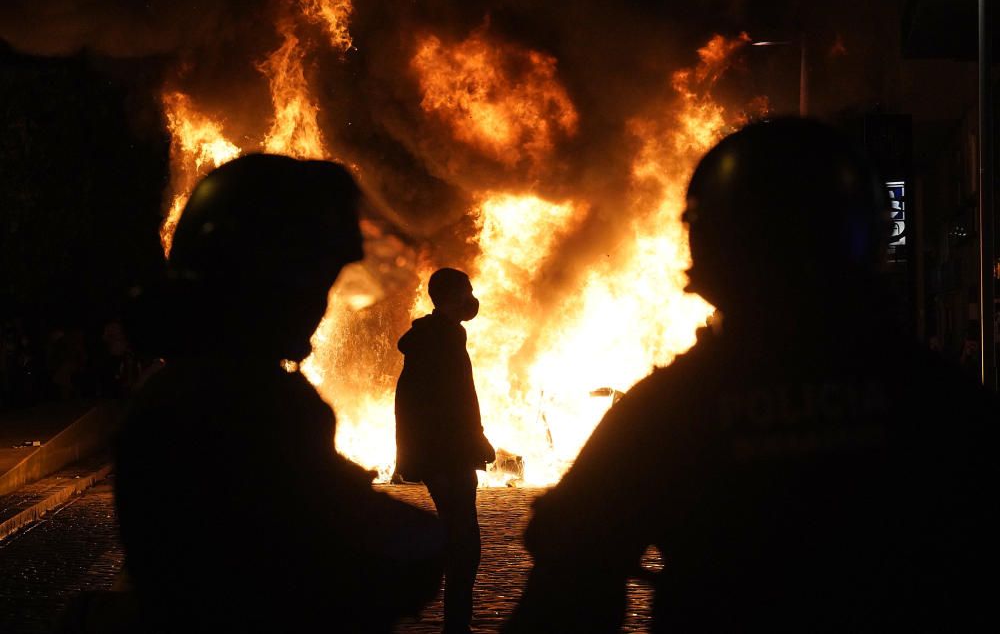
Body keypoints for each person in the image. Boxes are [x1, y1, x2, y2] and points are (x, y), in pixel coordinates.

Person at [504, 119, 1000, 632]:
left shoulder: (670, 412)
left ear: (710, 246)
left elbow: (567, 592)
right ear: (869, 235)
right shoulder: (944, 402)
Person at [114, 154, 444, 633]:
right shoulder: (240, 401)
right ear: (264, 277)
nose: (318, 302)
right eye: (312, 279)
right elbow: (323, 551)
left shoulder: (199, 386)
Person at [394, 267, 496, 634]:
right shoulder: (441, 340)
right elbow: (452, 399)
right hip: (447, 452)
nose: (471, 298)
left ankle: (458, 621)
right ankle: (456, 623)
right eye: (466, 291)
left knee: (461, 535)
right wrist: (474, 436)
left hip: (446, 450)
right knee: (464, 538)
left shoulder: (440, 336)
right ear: (450, 296)